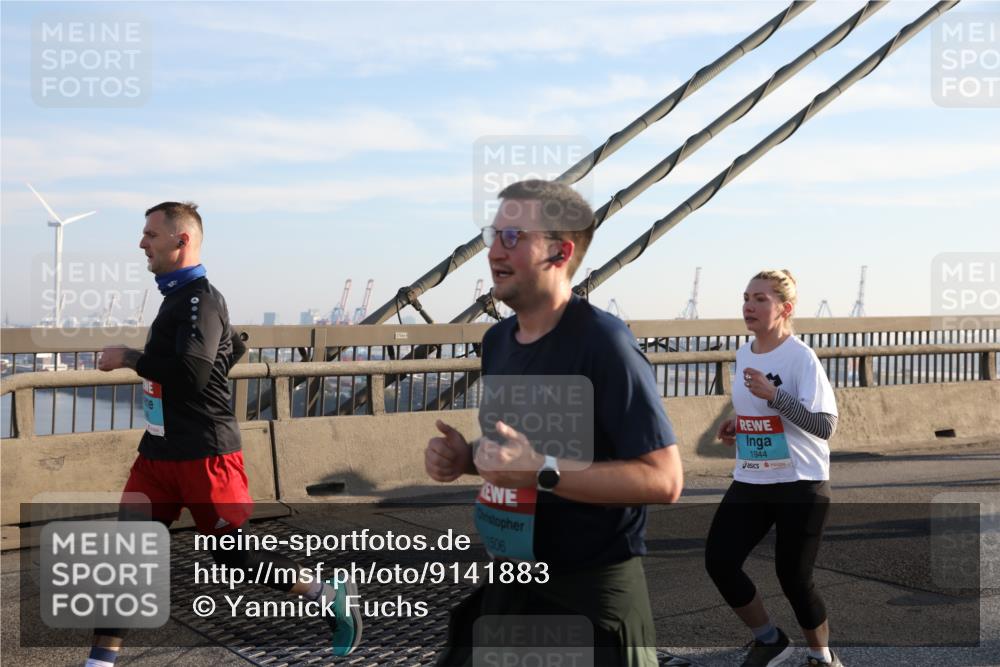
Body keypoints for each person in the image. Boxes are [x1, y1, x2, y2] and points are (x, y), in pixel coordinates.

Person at [424, 180, 683, 666]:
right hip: (514, 583)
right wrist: (467, 458)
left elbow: (665, 479)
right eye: (492, 235)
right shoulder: (498, 342)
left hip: (590, 596)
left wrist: (540, 469)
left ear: (559, 253)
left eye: (513, 237)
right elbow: (522, 451)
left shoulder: (604, 343)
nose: (493, 252)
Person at [91, 202, 360, 666]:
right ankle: (99, 662)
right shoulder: (176, 299)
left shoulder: (201, 298)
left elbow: (192, 375)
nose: (141, 243)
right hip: (158, 453)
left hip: (205, 456)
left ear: (181, 241)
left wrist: (130, 357)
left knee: (233, 557)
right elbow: (207, 364)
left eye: (150, 234)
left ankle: (328, 593)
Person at [705, 270, 841, 667]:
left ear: (786, 308)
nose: (749, 305)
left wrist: (776, 395)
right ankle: (769, 640)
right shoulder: (745, 352)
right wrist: (737, 422)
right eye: (747, 296)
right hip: (752, 475)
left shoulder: (801, 357)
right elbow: (758, 409)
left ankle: (822, 657)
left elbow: (824, 425)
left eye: (761, 298)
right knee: (720, 561)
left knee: (794, 578)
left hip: (801, 481)